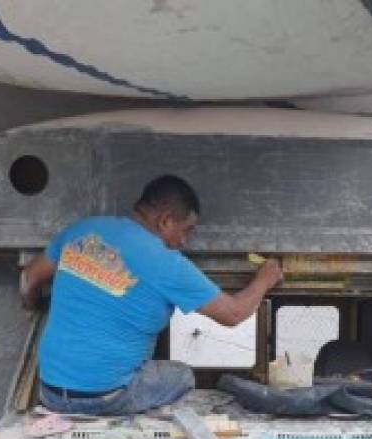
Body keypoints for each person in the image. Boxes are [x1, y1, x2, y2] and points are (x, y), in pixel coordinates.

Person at [20, 174, 283, 415]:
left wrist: (35, 305)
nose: (184, 241)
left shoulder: (82, 230)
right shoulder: (167, 263)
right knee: (182, 375)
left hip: (50, 392)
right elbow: (234, 313)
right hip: (106, 398)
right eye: (186, 229)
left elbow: (28, 278)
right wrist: (264, 279)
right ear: (165, 220)